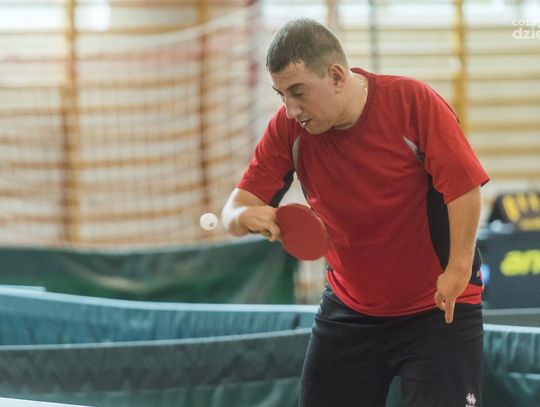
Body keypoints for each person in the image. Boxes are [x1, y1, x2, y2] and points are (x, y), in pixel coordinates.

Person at [221, 18, 489, 407]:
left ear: (335, 76)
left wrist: (458, 270)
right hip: (350, 309)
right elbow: (234, 209)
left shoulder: (412, 102)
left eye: (298, 92)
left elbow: (463, 188)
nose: (291, 109)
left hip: (437, 306)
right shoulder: (288, 130)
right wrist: (243, 218)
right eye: (281, 95)